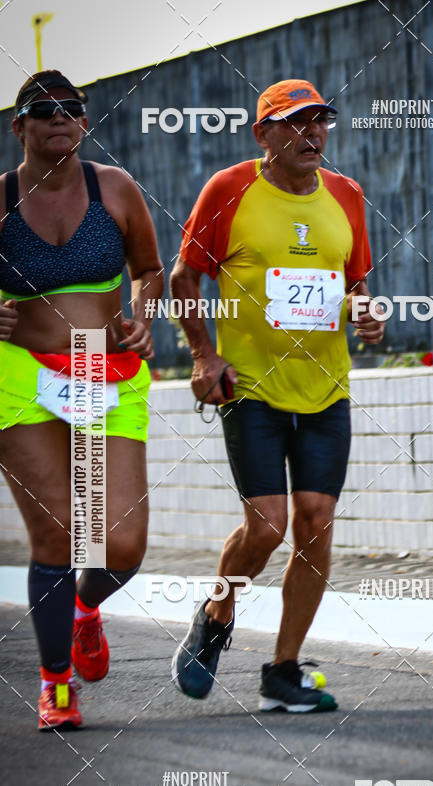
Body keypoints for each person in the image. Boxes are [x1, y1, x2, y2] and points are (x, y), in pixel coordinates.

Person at [170, 78, 383, 713]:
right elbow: (184, 276)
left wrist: (367, 314)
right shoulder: (230, 190)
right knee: (266, 526)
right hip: (252, 388)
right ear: (263, 134)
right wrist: (204, 355)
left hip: (325, 389)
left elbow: (356, 285)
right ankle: (217, 611)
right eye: (294, 123)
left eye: (319, 121)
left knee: (316, 524)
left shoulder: (346, 196)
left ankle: (283, 670)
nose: (311, 133)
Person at [0, 71, 163, 730]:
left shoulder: (115, 189)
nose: (59, 118)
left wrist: (145, 314)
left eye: (72, 108)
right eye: (43, 110)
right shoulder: (3, 199)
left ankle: (84, 612)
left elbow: (150, 271)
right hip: (21, 375)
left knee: (120, 544)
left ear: (85, 121)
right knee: (61, 532)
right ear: (20, 127)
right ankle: (55, 683)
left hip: (106, 369)